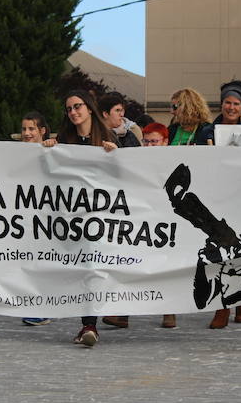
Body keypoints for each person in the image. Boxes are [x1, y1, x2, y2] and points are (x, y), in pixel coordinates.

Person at [42, 90, 117, 347]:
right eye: (69, 109)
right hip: (72, 218)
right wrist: (50, 150)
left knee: (93, 268)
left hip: (101, 219)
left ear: (89, 108)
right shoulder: (64, 139)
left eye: (77, 107)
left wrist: (116, 155)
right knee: (80, 267)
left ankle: (90, 324)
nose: (73, 112)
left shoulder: (109, 137)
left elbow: (128, 175)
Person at [102, 122, 178, 329]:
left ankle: (169, 312)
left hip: (164, 219)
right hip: (139, 218)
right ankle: (123, 313)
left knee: (165, 264)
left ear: (165, 142)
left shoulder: (174, 161)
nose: (150, 146)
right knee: (131, 261)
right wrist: (117, 154)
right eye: (146, 142)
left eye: (155, 142)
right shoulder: (136, 159)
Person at [209, 80, 241, 328]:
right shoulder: (208, 130)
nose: (231, 107)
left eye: (236, 103)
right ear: (222, 103)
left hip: (240, 197)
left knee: (239, 250)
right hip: (214, 197)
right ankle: (222, 308)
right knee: (217, 251)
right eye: (228, 102)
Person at [19, 112, 54, 327]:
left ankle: (43, 308)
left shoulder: (53, 150)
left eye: (32, 129)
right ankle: (32, 305)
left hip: (48, 216)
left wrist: (52, 148)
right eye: (24, 129)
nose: (27, 133)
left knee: (44, 261)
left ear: (42, 131)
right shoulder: (16, 153)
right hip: (24, 217)